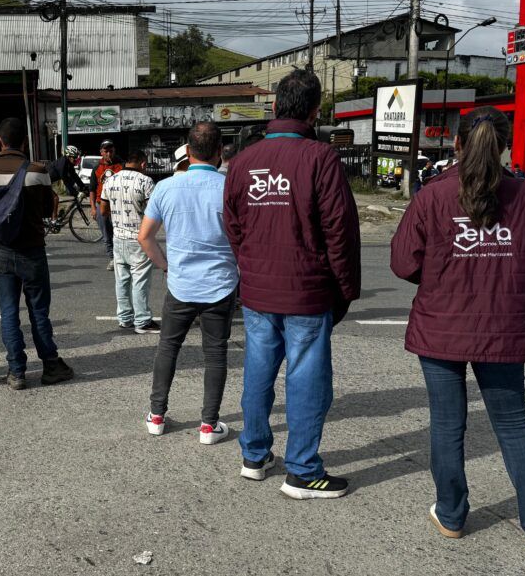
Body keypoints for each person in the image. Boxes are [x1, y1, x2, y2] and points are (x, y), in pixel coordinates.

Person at [390, 107, 525, 553]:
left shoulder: (432, 196)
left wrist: (439, 280)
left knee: (447, 423)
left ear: (455, 144)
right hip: (502, 326)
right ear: (504, 146)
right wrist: (507, 277)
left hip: (441, 326)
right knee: (513, 425)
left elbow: (402, 261)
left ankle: (451, 513)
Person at [224, 69, 361, 495]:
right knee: (307, 377)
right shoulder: (320, 159)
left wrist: (250, 264)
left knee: (259, 369)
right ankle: (302, 469)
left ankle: (255, 453)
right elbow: (340, 232)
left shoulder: (243, 161)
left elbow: (232, 224)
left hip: (259, 289)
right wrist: (345, 288)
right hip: (306, 288)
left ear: (275, 107)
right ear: (315, 110)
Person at [139, 121, 239, 444]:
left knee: (168, 346)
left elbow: (145, 237)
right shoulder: (229, 189)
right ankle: (208, 426)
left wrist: (166, 266)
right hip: (220, 286)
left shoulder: (166, 188)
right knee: (215, 354)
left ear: (188, 149)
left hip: (180, 284)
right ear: (219, 151)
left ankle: (156, 416)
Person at [0, 118, 74, 390]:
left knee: (8, 312)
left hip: (3, 251)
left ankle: (16, 371)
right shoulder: (37, 170)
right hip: (32, 250)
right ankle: (51, 365)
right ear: (24, 142)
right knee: (39, 312)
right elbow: (45, 210)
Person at [100, 149, 157, 334]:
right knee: (139, 280)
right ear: (142, 163)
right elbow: (152, 212)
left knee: (121, 280)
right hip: (139, 239)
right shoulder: (146, 181)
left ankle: (124, 318)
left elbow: (102, 210)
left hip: (118, 237)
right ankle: (142, 321)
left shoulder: (111, 180)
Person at [90, 140, 123, 270]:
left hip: (119, 205)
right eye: (106, 151)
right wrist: (93, 208)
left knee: (119, 233)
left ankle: (121, 258)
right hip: (101, 205)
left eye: (111, 150)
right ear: (101, 152)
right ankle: (112, 258)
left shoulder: (122, 165)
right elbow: (92, 189)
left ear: (114, 151)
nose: (108, 153)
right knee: (107, 234)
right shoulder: (97, 168)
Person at [48, 145, 87, 220]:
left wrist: (83, 187)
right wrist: (75, 193)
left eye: (76, 157)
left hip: (48, 182)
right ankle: (54, 219)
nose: (76, 159)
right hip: (43, 182)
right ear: (69, 156)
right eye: (74, 157)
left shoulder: (69, 163)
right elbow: (65, 180)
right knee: (55, 198)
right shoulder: (62, 163)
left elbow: (74, 176)